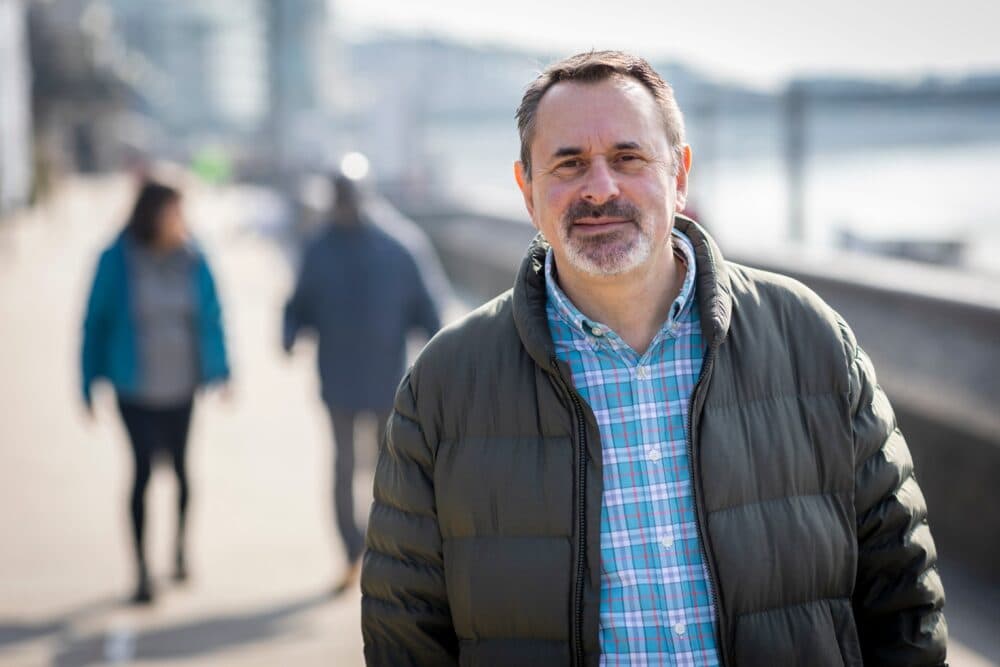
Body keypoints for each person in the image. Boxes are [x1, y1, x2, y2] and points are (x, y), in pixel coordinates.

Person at [360, 51, 946, 666]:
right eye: (569, 163)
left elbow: (902, 590)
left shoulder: (811, 340)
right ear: (527, 190)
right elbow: (406, 635)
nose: (600, 187)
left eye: (628, 158)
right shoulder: (443, 387)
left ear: (679, 174)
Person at [283, 172, 441, 596]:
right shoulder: (319, 248)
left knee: (389, 468)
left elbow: (428, 308)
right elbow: (299, 303)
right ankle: (352, 551)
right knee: (343, 465)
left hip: (387, 379)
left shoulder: (399, 245)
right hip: (338, 379)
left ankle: (384, 546)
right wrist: (289, 332)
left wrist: (441, 358)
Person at [81, 180, 230, 604]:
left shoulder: (194, 257)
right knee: (143, 471)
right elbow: (94, 321)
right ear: (152, 214)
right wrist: (86, 382)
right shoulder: (116, 258)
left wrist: (223, 371)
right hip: (134, 388)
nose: (180, 221)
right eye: (173, 212)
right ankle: (142, 570)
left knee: (182, 471)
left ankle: (179, 551)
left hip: (182, 386)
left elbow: (212, 316)